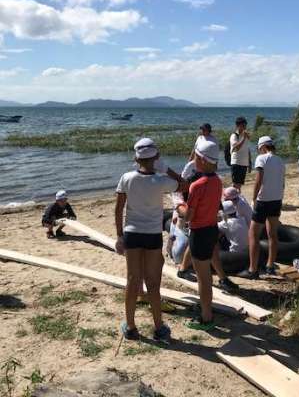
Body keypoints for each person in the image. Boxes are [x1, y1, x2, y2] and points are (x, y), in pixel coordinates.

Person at [115, 138, 179, 342]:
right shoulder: (161, 180)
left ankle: (130, 327)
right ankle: (159, 327)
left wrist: (119, 236)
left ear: (136, 158)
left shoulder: (126, 178)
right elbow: (183, 184)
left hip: (132, 233)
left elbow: (118, 209)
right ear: (156, 157)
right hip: (152, 235)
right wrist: (166, 168)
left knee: (132, 279)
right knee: (152, 282)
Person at [177, 139, 235, 330]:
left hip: (199, 233)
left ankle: (206, 317)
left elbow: (189, 216)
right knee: (206, 276)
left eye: (196, 157)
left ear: (202, 159)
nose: (194, 160)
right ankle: (206, 310)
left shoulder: (197, 185)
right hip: (211, 230)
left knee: (203, 278)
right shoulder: (217, 181)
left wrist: (178, 205)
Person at [238, 136, 285, 279]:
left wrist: (253, 198)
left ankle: (253, 270)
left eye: (259, 149)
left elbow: (258, 181)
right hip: (276, 200)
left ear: (263, 147)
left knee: (253, 234)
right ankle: (270, 266)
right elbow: (282, 183)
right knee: (273, 234)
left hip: (263, 201)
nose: (259, 151)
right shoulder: (280, 160)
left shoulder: (261, 159)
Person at [230, 116, 251, 190]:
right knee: (235, 184)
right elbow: (236, 148)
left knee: (240, 185)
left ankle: (237, 197)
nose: (245, 127)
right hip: (236, 162)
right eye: (243, 125)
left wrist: (249, 163)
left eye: (245, 125)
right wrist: (244, 138)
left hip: (244, 163)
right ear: (237, 126)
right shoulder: (234, 136)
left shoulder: (246, 136)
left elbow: (247, 149)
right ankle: (232, 196)